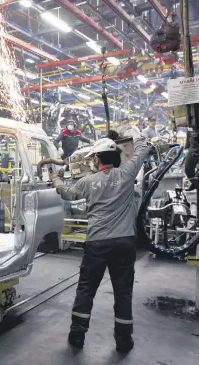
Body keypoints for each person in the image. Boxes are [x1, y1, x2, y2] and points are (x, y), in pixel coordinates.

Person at [51, 127, 149, 353]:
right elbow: (142, 149)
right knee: (123, 292)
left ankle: (77, 335)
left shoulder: (87, 182)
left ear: (96, 159)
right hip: (124, 243)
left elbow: (66, 192)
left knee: (86, 289)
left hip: (96, 244)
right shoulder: (126, 174)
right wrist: (131, 132)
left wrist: (56, 179)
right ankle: (124, 341)